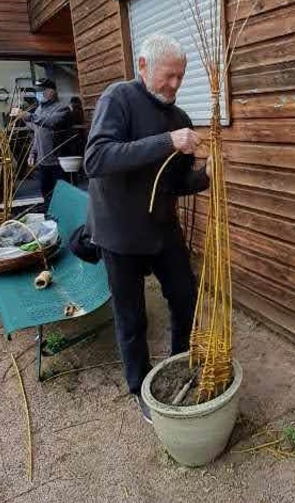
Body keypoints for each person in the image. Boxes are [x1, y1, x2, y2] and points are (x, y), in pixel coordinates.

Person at [84, 34, 211, 421]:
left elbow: (176, 183)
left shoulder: (180, 118)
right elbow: (96, 158)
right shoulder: (119, 98)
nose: (175, 84)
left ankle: (179, 364)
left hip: (161, 226)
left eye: (180, 76)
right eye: (168, 75)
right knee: (132, 315)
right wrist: (166, 141)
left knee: (185, 296)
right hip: (119, 228)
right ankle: (139, 386)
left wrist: (204, 172)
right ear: (143, 66)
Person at [11, 78, 73, 211]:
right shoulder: (39, 109)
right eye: (39, 91)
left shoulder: (62, 108)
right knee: (47, 195)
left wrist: (28, 116)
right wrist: (32, 153)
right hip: (43, 162)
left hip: (58, 163)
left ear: (52, 91)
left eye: (43, 90)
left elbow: (49, 122)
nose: (41, 93)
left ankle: (67, 217)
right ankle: (51, 215)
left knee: (64, 195)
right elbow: (37, 133)